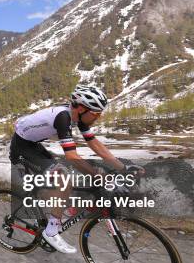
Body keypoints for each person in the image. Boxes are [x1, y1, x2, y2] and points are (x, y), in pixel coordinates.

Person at [10, 85, 144, 253]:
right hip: (21, 148)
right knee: (64, 179)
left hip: (33, 145)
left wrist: (123, 167)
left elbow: (95, 144)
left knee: (62, 179)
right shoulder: (63, 118)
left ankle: (54, 211)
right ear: (81, 108)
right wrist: (97, 175)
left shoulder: (78, 117)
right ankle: (50, 232)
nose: (99, 117)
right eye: (96, 113)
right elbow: (72, 157)